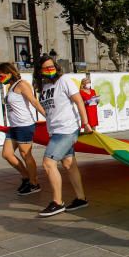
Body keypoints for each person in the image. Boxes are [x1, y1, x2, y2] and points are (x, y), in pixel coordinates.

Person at [35, 56, 92, 217]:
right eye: (45, 68)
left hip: (67, 129)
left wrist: (85, 123)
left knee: (48, 163)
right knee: (69, 164)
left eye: (51, 66)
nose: (49, 70)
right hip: (55, 130)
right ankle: (81, 198)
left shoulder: (64, 80)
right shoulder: (44, 86)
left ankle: (57, 202)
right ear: (40, 71)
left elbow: (79, 101)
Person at [0, 62, 45, 195]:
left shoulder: (22, 84)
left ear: (9, 73)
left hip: (24, 125)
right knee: (7, 154)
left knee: (26, 155)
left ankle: (34, 183)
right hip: (13, 126)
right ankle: (26, 177)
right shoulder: (10, 87)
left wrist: (48, 116)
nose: (0, 79)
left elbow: (34, 102)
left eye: (1, 76)